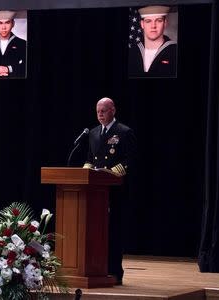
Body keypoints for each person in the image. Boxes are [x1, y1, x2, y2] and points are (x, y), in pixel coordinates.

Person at [83, 97, 137, 285]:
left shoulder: (124, 132)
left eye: (103, 111)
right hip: (97, 192)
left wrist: (111, 174)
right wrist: (86, 172)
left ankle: (115, 272)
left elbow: (130, 160)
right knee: (96, 231)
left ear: (113, 110)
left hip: (115, 191)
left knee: (114, 232)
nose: (100, 114)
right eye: (98, 111)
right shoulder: (93, 133)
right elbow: (91, 158)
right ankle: (97, 269)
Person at [128, 6, 177, 77]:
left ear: (165, 23)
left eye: (159, 20)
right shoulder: (132, 51)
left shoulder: (175, 51)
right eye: (148, 21)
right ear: (142, 24)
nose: (153, 26)